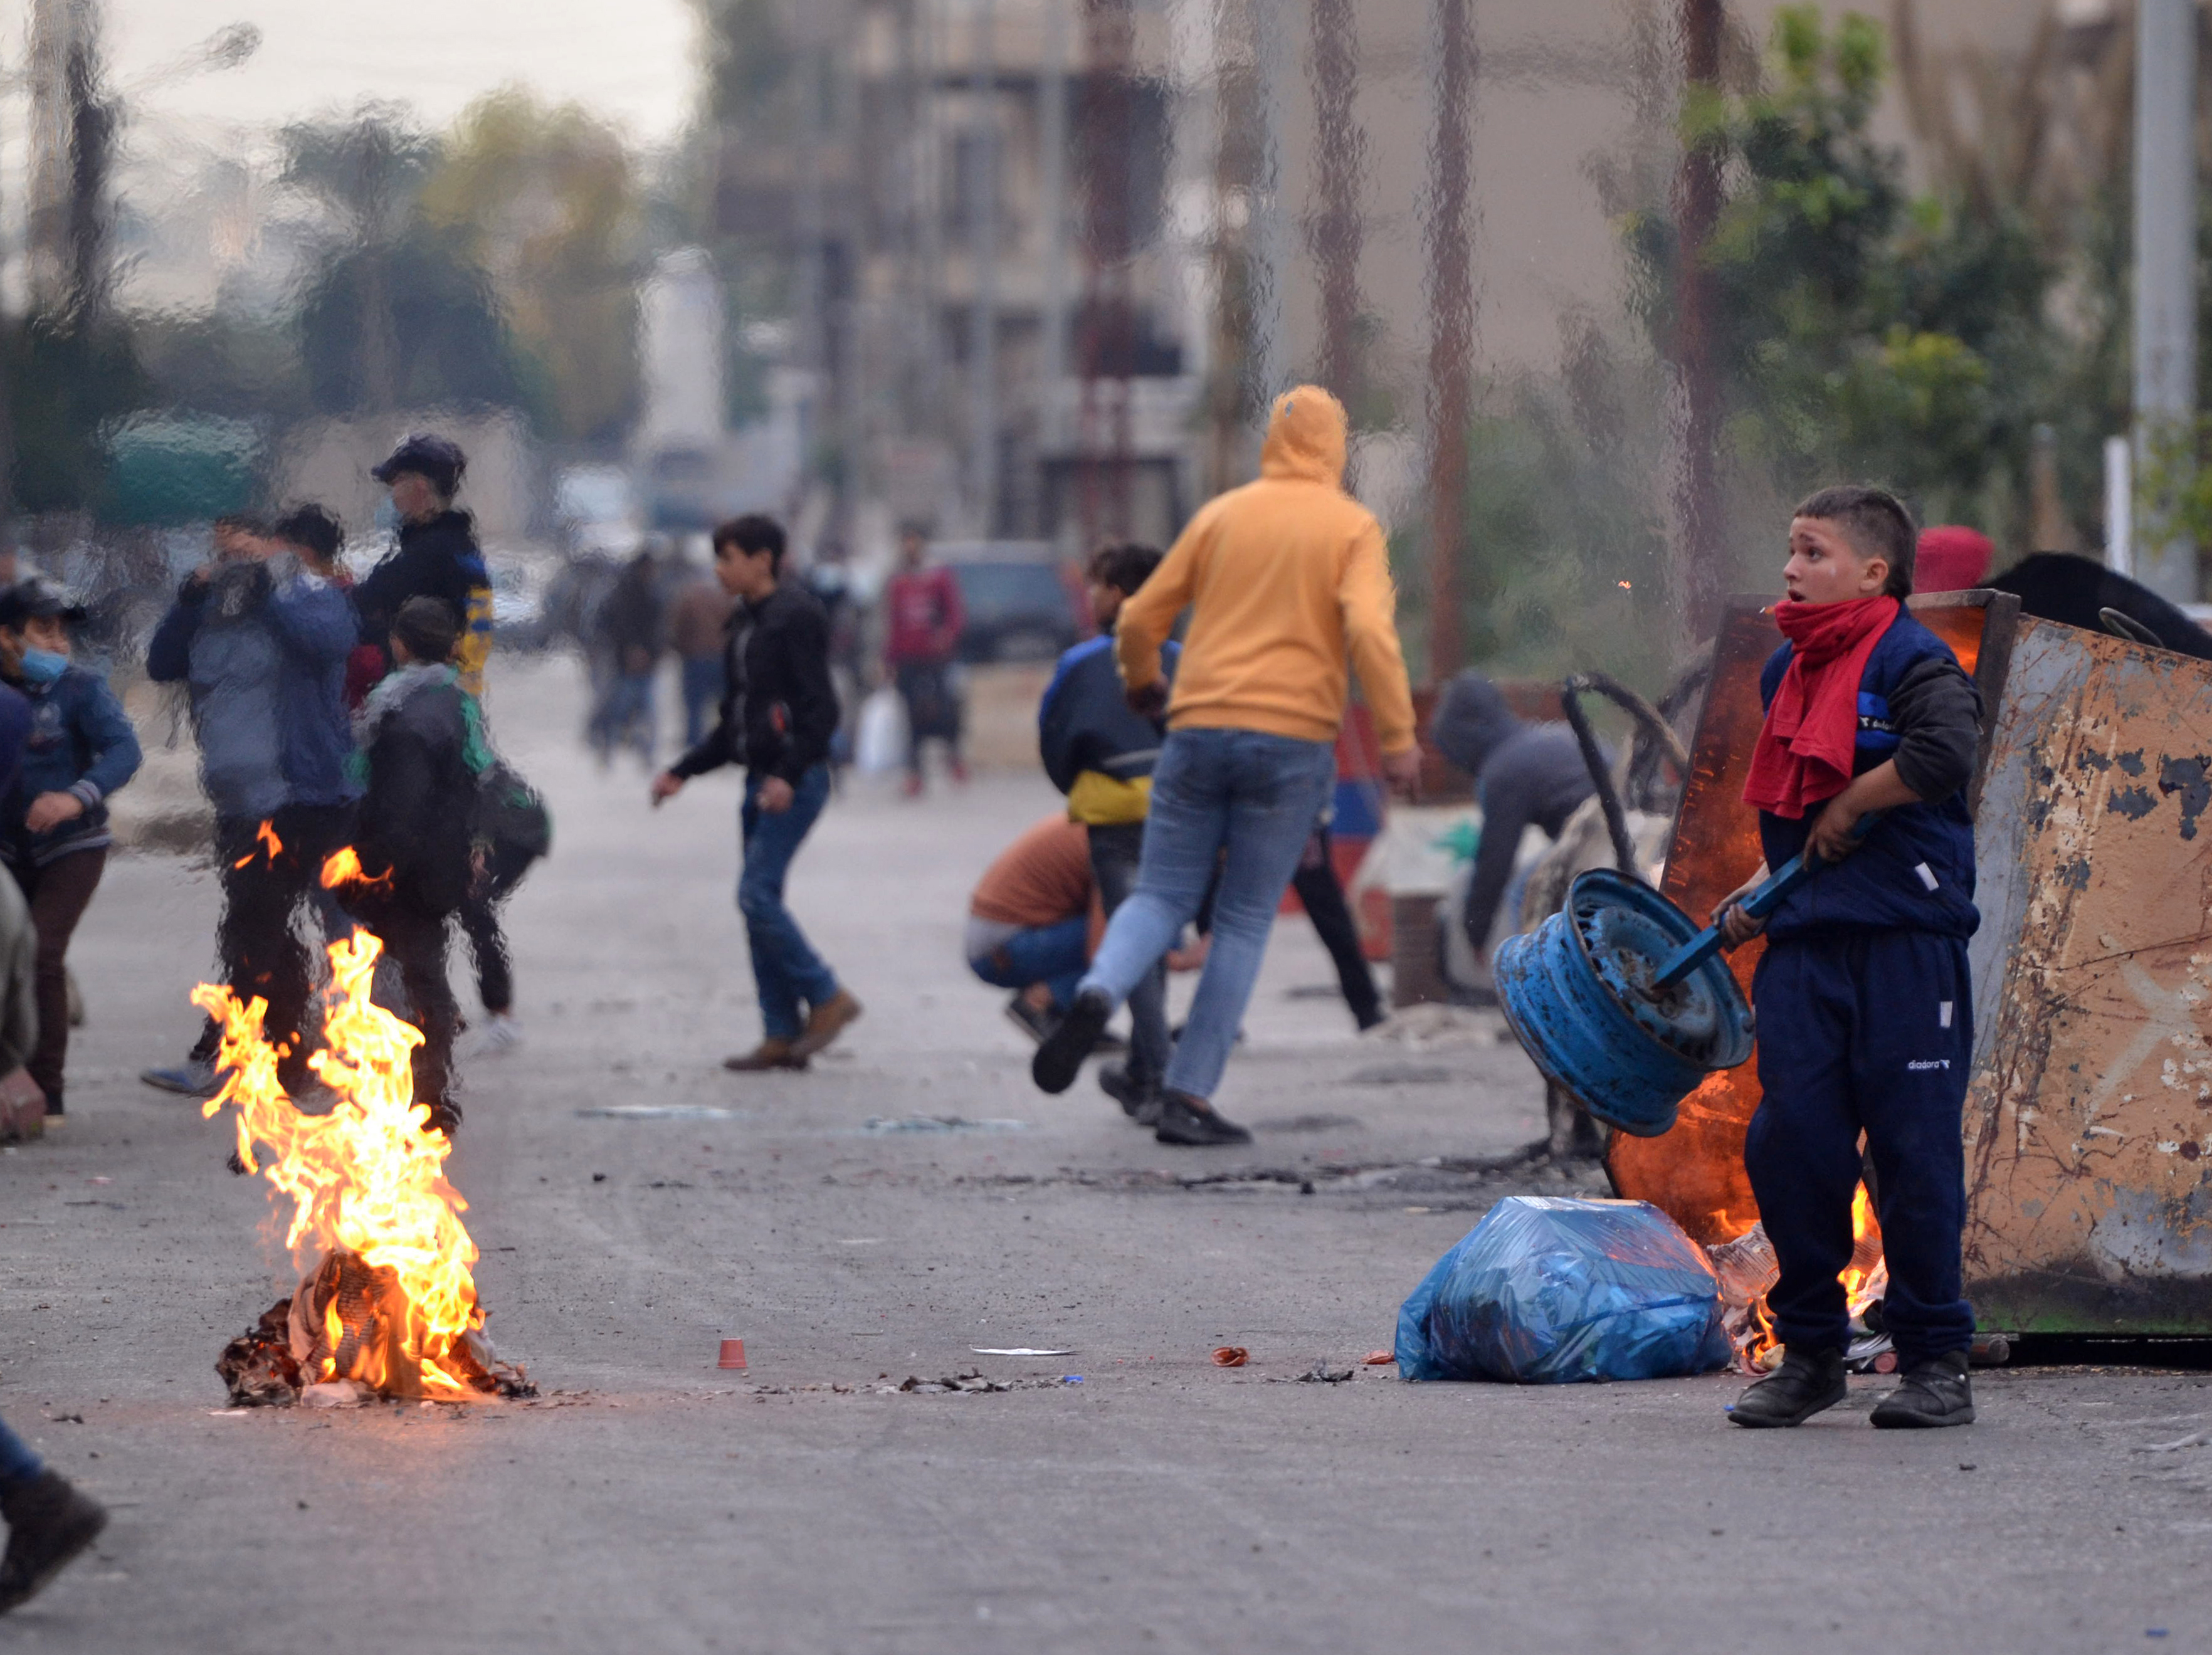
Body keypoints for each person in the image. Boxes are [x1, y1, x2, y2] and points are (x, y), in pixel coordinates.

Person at [1030, 386, 1420, 1145]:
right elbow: (1371, 633)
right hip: (1291, 739)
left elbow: (1140, 616)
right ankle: (1188, 1097)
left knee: (1159, 896)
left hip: (1197, 726)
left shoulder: (1221, 515)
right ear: (1334, 448)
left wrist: (1145, 685)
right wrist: (1399, 737)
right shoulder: (1350, 526)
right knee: (1241, 918)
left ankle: (1097, 991)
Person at [1717, 485, 1982, 1431]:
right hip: (1806, 950)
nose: (1791, 569)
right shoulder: (1786, 668)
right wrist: (1761, 890)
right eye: (1791, 550)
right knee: (1793, 1148)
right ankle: (1814, 1355)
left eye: (1812, 552)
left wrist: (1855, 803)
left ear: (1875, 572)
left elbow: (1947, 752)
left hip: (1906, 946)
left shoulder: (1916, 659)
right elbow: (1794, 810)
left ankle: (1936, 1362)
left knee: (1913, 1153)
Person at [142, 515, 361, 1100]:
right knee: (255, 933)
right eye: (222, 550)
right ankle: (278, 1058)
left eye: (244, 549)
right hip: (241, 803)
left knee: (346, 929)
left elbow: (331, 642)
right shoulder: (211, 611)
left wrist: (273, 588)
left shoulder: (306, 594)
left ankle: (361, 1054)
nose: (233, 560)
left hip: (307, 796)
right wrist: (191, 597)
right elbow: (162, 664)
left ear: (275, 549)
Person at [651, 515, 861, 1071]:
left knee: (756, 896)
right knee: (755, 903)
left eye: (729, 558)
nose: (720, 569)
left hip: (794, 781)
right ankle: (780, 1033)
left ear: (763, 560)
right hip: (758, 779)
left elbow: (821, 709)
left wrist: (789, 775)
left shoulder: (795, 617)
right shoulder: (745, 623)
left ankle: (826, 996)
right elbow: (735, 724)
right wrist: (682, 771)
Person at [1038, 541, 1180, 1119]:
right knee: (1158, 940)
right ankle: (1145, 1072)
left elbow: (1052, 741)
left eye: (1095, 586)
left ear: (1117, 594)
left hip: (1113, 817)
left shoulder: (1079, 663)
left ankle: (1161, 1080)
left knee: (1135, 941)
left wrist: (1078, 783)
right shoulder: (1182, 655)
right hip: (1175, 813)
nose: (1090, 596)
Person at [0, 580, 141, 1122]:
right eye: (43, 629)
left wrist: (76, 796)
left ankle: (47, 1088)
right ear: (9, 638)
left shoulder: (80, 689)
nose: (58, 643)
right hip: (8, 849)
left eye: (63, 631)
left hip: (72, 846)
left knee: (41, 954)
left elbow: (124, 749)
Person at [339, 597, 482, 1133]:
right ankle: (428, 1090)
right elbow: (477, 778)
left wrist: (370, 869)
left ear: (399, 644)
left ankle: (418, 1094)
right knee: (425, 974)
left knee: (406, 977)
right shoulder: (456, 701)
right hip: (440, 864)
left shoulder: (397, 714)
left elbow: (398, 805)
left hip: (407, 870)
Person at [1430, 671, 1604, 972]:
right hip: (1630, 819)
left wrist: (1476, 932)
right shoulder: (1542, 737)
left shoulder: (1503, 769)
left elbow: (1494, 862)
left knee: (1525, 892)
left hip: (1599, 829)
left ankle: (1533, 987)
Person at [354, 434, 494, 696]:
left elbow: (365, 606)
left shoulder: (428, 557)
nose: (392, 497)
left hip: (421, 695)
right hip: (454, 695)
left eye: (395, 483)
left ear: (419, 488)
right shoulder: (461, 547)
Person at [966, 813, 1095, 1041]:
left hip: (997, 938)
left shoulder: (1093, 817)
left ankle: (1069, 1016)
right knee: (1135, 936)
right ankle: (1040, 1002)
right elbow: (1104, 948)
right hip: (1003, 948)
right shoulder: (1111, 838)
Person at [457, 757, 550, 1053]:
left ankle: (502, 1017)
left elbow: (481, 792)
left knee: (476, 910)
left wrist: (479, 846)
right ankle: (451, 1009)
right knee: (467, 908)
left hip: (515, 832)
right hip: (522, 823)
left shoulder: (421, 737)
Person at [880, 523, 967, 796]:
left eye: (914, 542)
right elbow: (893, 623)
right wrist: (889, 661)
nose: (910, 548)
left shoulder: (938, 577)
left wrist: (947, 638)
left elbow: (955, 616)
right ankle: (915, 774)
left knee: (943, 709)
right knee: (910, 717)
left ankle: (954, 756)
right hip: (908, 658)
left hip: (936, 658)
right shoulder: (898, 582)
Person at [1289, 821, 1385, 1031]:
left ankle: (1367, 1008)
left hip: (1291, 815)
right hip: (1296, 811)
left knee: (1231, 920)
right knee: (1329, 912)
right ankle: (1367, 1008)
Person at [589, 547, 665, 765]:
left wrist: (650, 653)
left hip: (645, 664)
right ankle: (609, 749)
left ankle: (645, 754)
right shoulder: (623, 595)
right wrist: (632, 650)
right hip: (624, 664)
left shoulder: (653, 595)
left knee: (646, 712)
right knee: (619, 709)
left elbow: (660, 630)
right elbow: (615, 627)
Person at [670, 557, 734, 749]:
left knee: (694, 705)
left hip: (695, 657)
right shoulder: (728, 597)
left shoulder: (690, 595)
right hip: (721, 657)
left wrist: (681, 649)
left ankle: (694, 743)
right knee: (722, 703)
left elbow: (678, 626)